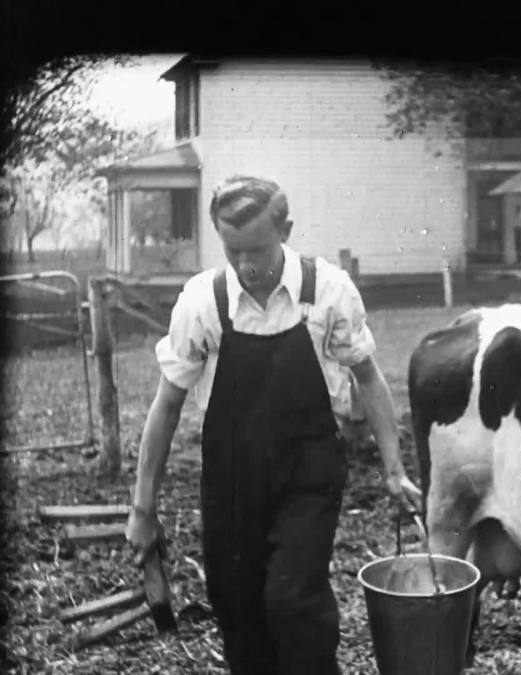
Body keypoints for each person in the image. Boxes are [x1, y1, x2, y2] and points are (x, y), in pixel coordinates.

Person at [125, 175, 422, 674]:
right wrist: (142, 509)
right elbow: (166, 407)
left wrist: (394, 469)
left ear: (285, 230)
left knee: (292, 598)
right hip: (231, 482)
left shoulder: (327, 292)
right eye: (232, 250)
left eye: (257, 250)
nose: (246, 265)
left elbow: (368, 378)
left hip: (309, 473)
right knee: (236, 608)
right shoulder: (203, 302)